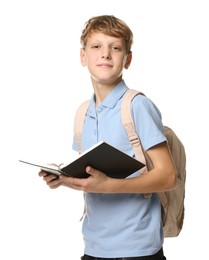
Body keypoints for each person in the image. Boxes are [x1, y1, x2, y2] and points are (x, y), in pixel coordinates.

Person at [39, 15, 176, 260]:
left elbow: (167, 176)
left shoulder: (137, 106)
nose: (105, 54)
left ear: (128, 59)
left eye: (115, 47)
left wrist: (110, 186)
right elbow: (92, 178)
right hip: (93, 247)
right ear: (83, 56)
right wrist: (63, 178)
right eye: (96, 47)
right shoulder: (83, 112)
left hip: (138, 249)